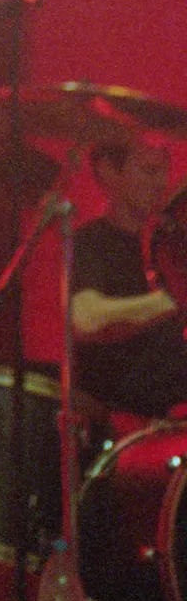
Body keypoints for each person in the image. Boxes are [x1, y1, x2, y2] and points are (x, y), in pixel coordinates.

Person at [72, 134, 187, 419]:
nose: (161, 183)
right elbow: (87, 319)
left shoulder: (172, 245)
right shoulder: (89, 243)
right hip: (123, 419)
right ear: (108, 172)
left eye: (164, 172)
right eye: (149, 171)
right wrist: (176, 298)